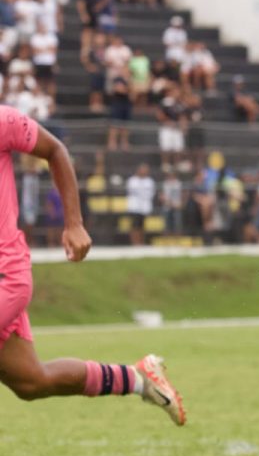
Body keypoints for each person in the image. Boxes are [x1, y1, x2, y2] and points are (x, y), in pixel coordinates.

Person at [0, 106, 185, 424]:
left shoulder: (3, 121)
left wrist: (73, 223)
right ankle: (139, 379)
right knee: (31, 381)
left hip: (5, 274)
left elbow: (55, 150)